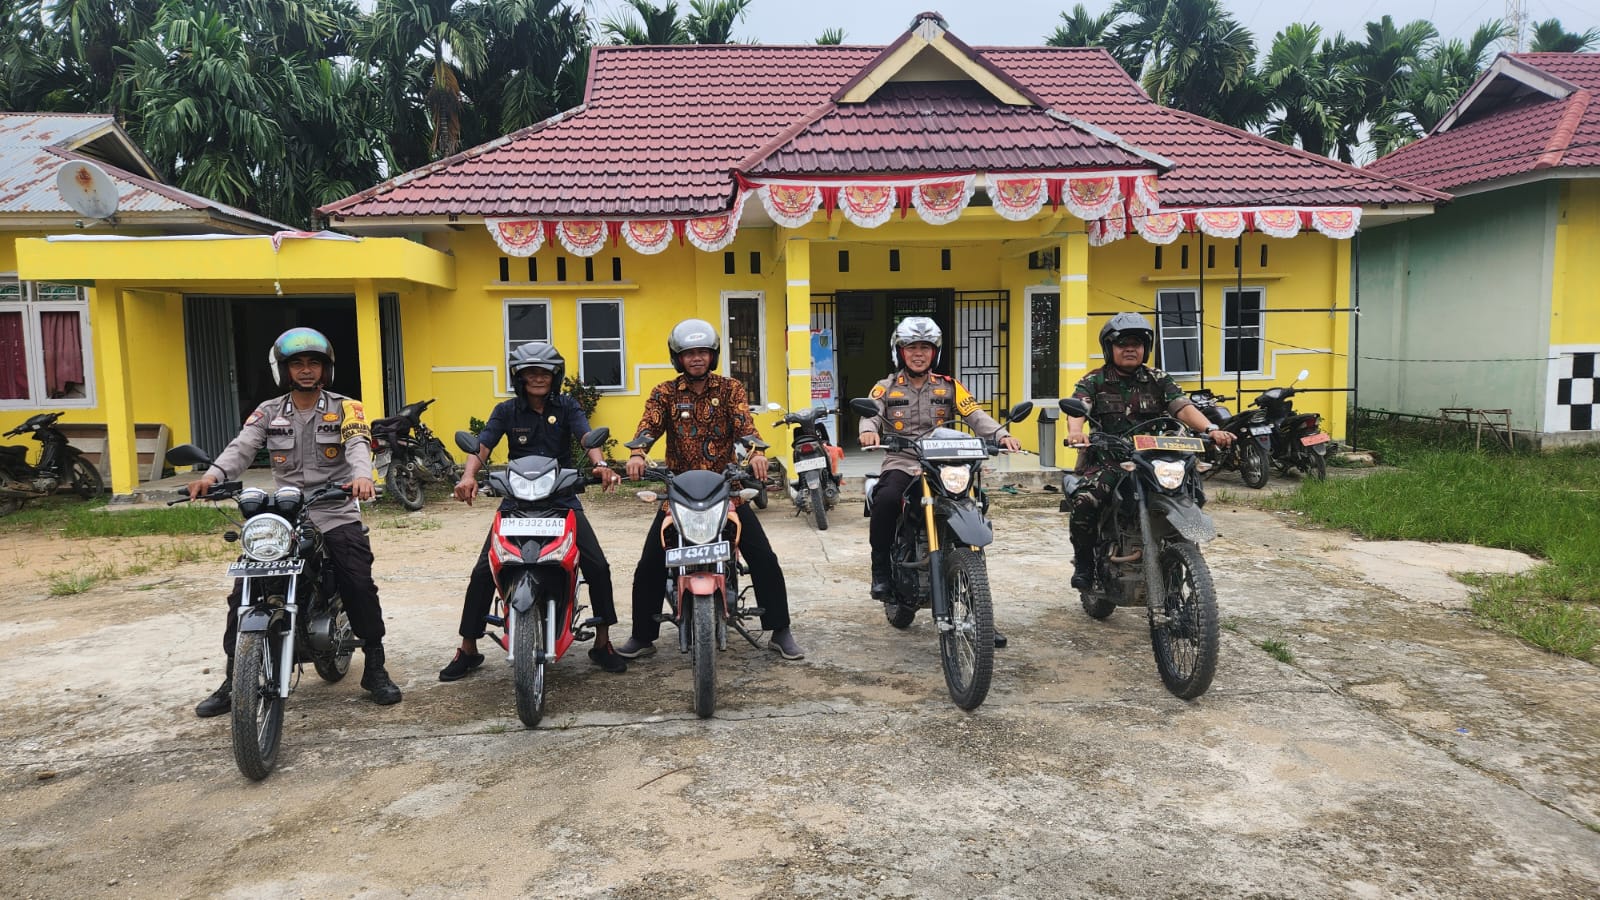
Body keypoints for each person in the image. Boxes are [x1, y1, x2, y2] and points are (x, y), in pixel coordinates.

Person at [189, 327, 401, 716]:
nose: (306, 370)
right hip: (286, 513)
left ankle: (375, 664)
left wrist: (363, 478)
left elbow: (357, 445)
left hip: (335, 508)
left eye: (313, 363)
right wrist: (212, 477)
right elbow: (242, 447)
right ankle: (234, 678)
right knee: (245, 586)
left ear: (325, 369)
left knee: (357, 580)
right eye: (297, 363)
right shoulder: (269, 411)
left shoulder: (346, 408)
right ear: (283, 370)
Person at [618, 318, 805, 661]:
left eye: (703, 352)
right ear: (678, 358)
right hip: (678, 493)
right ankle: (642, 636)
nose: (697, 358)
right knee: (650, 563)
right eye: (689, 353)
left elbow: (745, 426)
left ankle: (780, 630)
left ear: (713, 355)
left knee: (763, 557)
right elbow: (648, 426)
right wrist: (637, 453)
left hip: (726, 490)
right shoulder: (664, 393)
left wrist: (757, 453)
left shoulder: (730, 389)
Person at [440, 342, 628, 680]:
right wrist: (468, 476)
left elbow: (587, 437)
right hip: (517, 500)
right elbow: (483, 445)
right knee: (484, 570)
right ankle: (468, 648)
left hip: (561, 498)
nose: (538, 378)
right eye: (530, 373)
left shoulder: (567, 406)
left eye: (544, 372)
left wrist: (600, 465)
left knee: (597, 565)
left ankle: (603, 642)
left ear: (555, 376)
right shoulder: (506, 411)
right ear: (520, 378)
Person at [858, 317, 1021, 643]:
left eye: (925, 347)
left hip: (942, 464)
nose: (918, 354)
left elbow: (975, 415)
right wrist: (868, 432)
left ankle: (980, 613)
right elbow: (871, 414)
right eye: (911, 347)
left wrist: (1001, 436)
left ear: (935, 352)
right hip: (903, 461)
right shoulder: (886, 386)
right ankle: (881, 573)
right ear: (899, 352)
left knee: (973, 507)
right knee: (886, 500)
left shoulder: (949, 386)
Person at [1063, 312, 1234, 589]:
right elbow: (1079, 407)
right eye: (1122, 344)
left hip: (1155, 461)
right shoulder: (1095, 380)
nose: (1130, 349)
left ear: (1146, 348)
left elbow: (1182, 406)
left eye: (1137, 344)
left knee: (1192, 492)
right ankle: (1085, 563)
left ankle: (1185, 564)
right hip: (1112, 461)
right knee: (1085, 501)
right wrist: (1075, 432)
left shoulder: (1158, 378)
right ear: (1109, 348)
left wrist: (1210, 429)